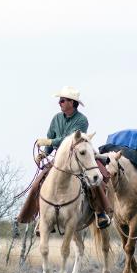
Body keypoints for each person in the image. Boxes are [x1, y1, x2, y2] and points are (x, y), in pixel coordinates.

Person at [16, 86, 112, 230]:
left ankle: (100, 212)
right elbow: (51, 138)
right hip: (60, 160)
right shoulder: (56, 119)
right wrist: (44, 153)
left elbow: (70, 141)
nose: (59, 103)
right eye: (60, 100)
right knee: (39, 183)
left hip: (80, 158)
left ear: (72, 103)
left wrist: (49, 142)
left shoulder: (82, 120)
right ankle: (40, 217)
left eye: (63, 100)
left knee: (95, 180)